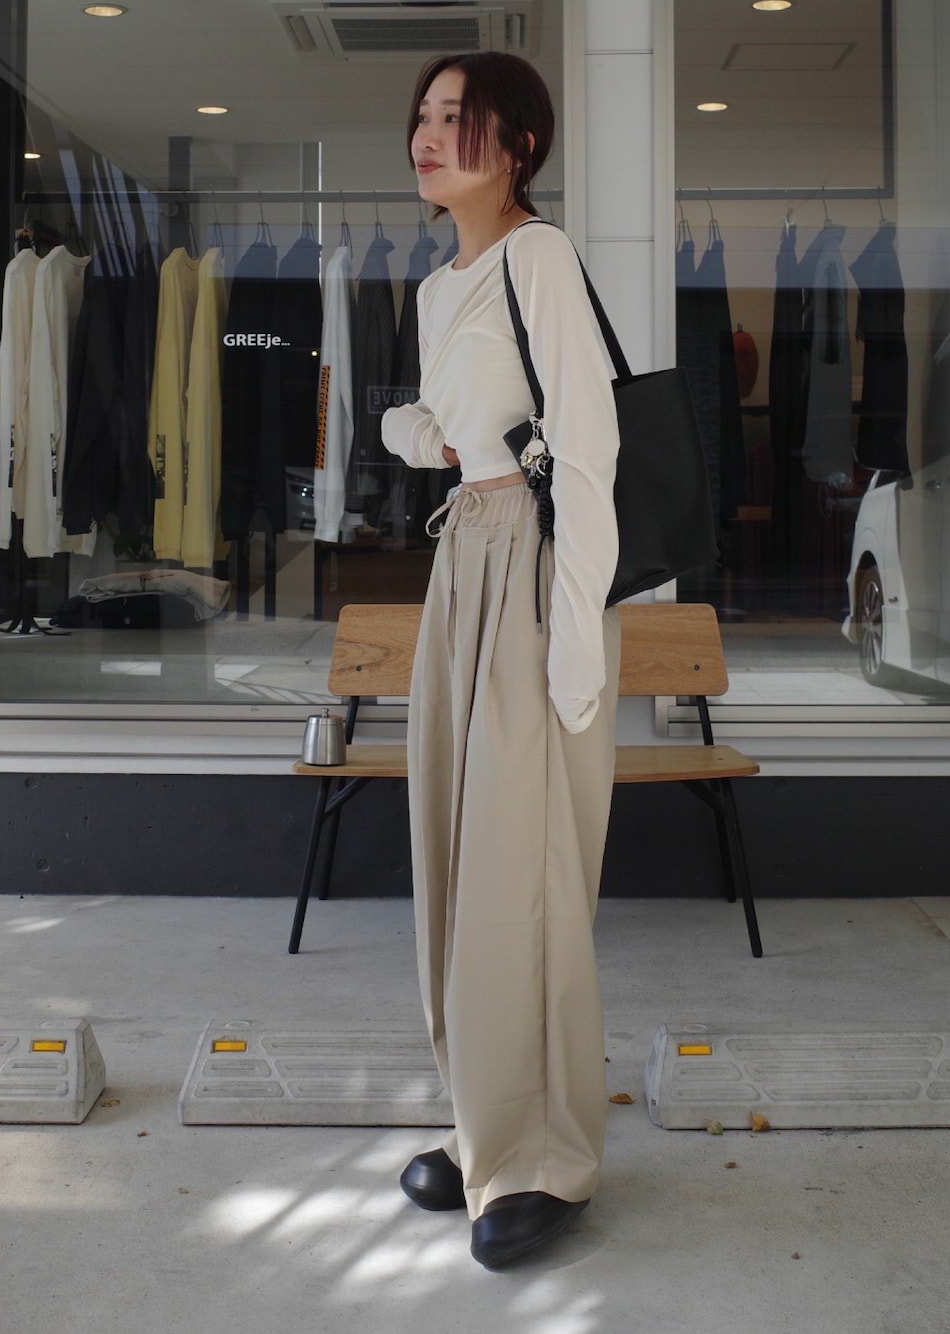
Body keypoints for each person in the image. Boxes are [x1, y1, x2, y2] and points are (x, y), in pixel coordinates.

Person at [381, 50, 621, 1270]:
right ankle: (480, 1116)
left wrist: (575, 642)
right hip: (462, 559)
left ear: (517, 144)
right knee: (455, 848)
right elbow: (467, 430)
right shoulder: (442, 285)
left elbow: (584, 449)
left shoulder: (540, 258)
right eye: (422, 116)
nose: (428, 135)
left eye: (456, 117)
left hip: (532, 566)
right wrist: (415, 430)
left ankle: (544, 1152)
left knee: (521, 868)